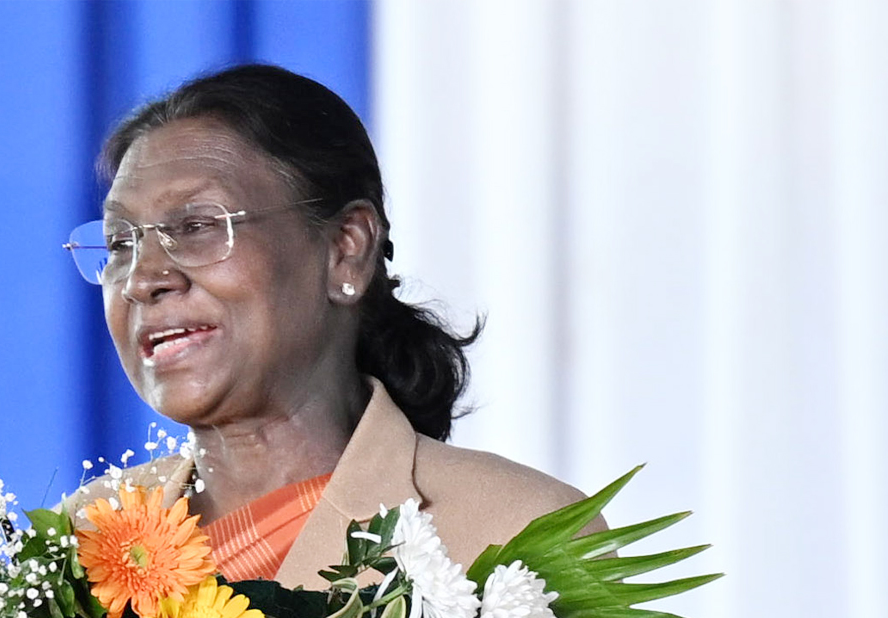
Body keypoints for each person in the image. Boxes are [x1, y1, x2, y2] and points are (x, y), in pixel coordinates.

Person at [64, 63, 595, 589]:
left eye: (197, 226)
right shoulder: (82, 538)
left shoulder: (520, 536)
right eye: (120, 243)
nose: (141, 279)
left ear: (346, 249)